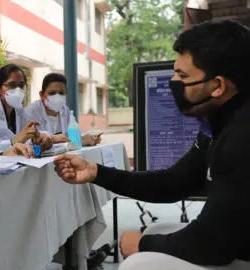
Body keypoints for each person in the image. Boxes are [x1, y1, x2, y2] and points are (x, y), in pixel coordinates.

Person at [54, 20, 250, 270]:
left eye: (183, 76)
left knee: (137, 264)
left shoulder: (242, 138)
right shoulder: (218, 124)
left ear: (218, 86)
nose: (173, 82)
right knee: (155, 231)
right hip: (234, 244)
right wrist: (96, 172)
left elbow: (212, 245)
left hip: (234, 251)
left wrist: (144, 244)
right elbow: (173, 183)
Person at [25, 73, 101, 146]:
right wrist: (53, 139)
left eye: (61, 93)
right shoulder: (31, 113)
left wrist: (87, 139)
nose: (57, 97)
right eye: (52, 93)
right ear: (41, 95)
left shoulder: (65, 110)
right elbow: (27, 142)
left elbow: (71, 137)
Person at [0, 64, 53, 150]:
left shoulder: (19, 110)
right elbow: (4, 141)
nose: (18, 90)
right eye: (12, 85)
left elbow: (29, 133)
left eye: (21, 85)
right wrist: (24, 137)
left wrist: (41, 136)